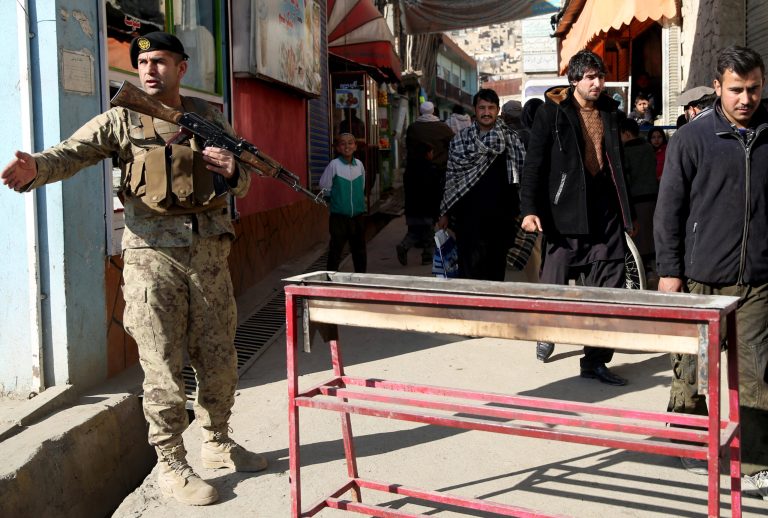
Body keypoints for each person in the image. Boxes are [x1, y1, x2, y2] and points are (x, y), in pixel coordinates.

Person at [1, 31, 266, 506]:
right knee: (162, 367)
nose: (149, 69)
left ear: (182, 68)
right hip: (151, 261)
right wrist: (37, 167)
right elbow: (72, 152)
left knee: (219, 357)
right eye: (142, 61)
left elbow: (244, 180)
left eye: (160, 61)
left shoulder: (210, 119)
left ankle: (218, 441)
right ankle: (171, 463)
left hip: (208, 258)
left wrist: (231, 169)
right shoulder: (122, 119)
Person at [654, 45, 768, 497]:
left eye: (754, 88)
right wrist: (670, 270)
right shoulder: (691, 138)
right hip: (700, 279)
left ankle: (759, 460)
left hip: (757, 280)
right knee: (693, 370)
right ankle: (689, 440)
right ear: (717, 87)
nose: (746, 99)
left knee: (759, 373)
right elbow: (669, 210)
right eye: (736, 89)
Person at [520, 50, 634, 386]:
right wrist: (529, 209)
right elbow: (534, 165)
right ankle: (546, 330)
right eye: (590, 78)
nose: (598, 83)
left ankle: (596, 360)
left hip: (605, 212)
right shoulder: (551, 113)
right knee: (554, 283)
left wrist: (627, 211)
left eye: (601, 77)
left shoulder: (611, 111)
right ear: (574, 80)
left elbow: (619, 165)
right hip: (564, 212)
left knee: (609, 288)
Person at [438, 88, 525, 281]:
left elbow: (521, 178)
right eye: (482, 108)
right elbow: (451, 178)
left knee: (495, 273)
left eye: (491, 108)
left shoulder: (511, 140)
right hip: (468, 219)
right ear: (475, 110)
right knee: (468, 274)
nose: (486, 112)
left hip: (501, 219)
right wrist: (444, 212)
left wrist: (525, 210)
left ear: (498, 110)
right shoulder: (460, 140)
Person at [398, 101, 454, 265]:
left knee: (419, 218)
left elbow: (408, 146)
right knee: (431, 216)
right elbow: (454, 145)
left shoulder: (413, 128)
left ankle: (411, 246)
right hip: (435, 174)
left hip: (414, 174)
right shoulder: (443, 128)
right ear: (434, 111)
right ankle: (428, 254)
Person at [320, 133, 367, 273]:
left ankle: (361, 278)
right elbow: (324, 186)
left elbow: (362, 186)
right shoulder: (334, 165)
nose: (347, 146)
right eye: (342, 143)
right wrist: (336, 201)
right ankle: (330, 280)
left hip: (358, 216)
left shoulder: (359, 165)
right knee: (336, 250)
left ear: (355, 146)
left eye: (350, 143)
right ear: (338, 148)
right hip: (339, 217)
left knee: (359, 250)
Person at [619, 118, 658, 276]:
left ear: (626, 134)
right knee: (650, 234)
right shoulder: (649, 148)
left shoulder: (625, 151)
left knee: (638, 237)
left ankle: (641, 269)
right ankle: (650, 266)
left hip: (635, 198)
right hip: (653, 196)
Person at [397, 141, 441, 265]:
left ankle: (404, 246)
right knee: (429, 237)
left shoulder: (410, 170)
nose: (433, 154)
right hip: (426, 209)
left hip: (412, 209)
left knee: (414, 233)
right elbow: (434, 191)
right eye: (431, 152)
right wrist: (437, 211)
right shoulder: (430, 169)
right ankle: (427, 258)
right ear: (427, 154)